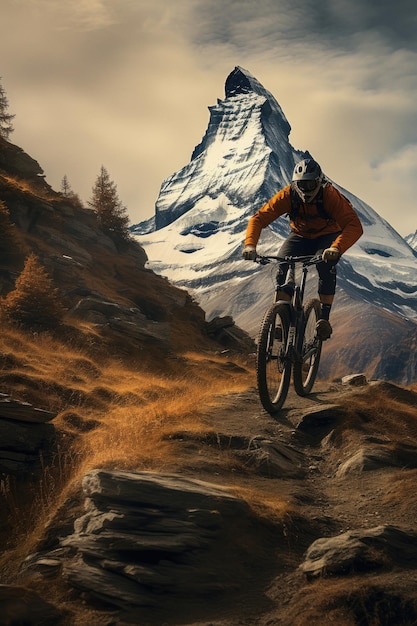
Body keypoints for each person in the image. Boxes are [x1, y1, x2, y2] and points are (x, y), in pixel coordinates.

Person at [242, 158, 363, 340]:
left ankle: (323, 320)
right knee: (282, 265)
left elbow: (354, 226)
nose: (306, 190)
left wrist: (336, 248)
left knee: (325, 265)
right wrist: (250, 245)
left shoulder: (330, 196)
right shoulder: (288, 195)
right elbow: (258, 219)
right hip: (300, 235)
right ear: (294, 184)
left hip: (327, 235)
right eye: (301, 185)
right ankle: (280, 322)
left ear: (320, 182)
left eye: (310, 184)